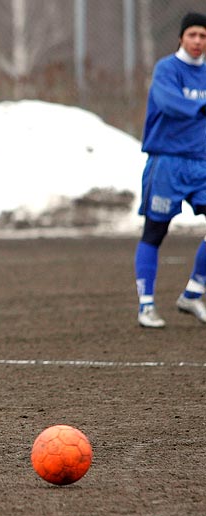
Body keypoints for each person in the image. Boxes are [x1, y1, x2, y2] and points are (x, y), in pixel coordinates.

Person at [134, 12, 206, 329]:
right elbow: (167, 102)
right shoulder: (166, 69)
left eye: (203, 36)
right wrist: (199, 107)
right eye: (192, 34)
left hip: (202, 163)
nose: (198, 41)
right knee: (155, 232)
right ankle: (146, 305)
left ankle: (192, 294)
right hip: (167, 161)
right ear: (181, 37)